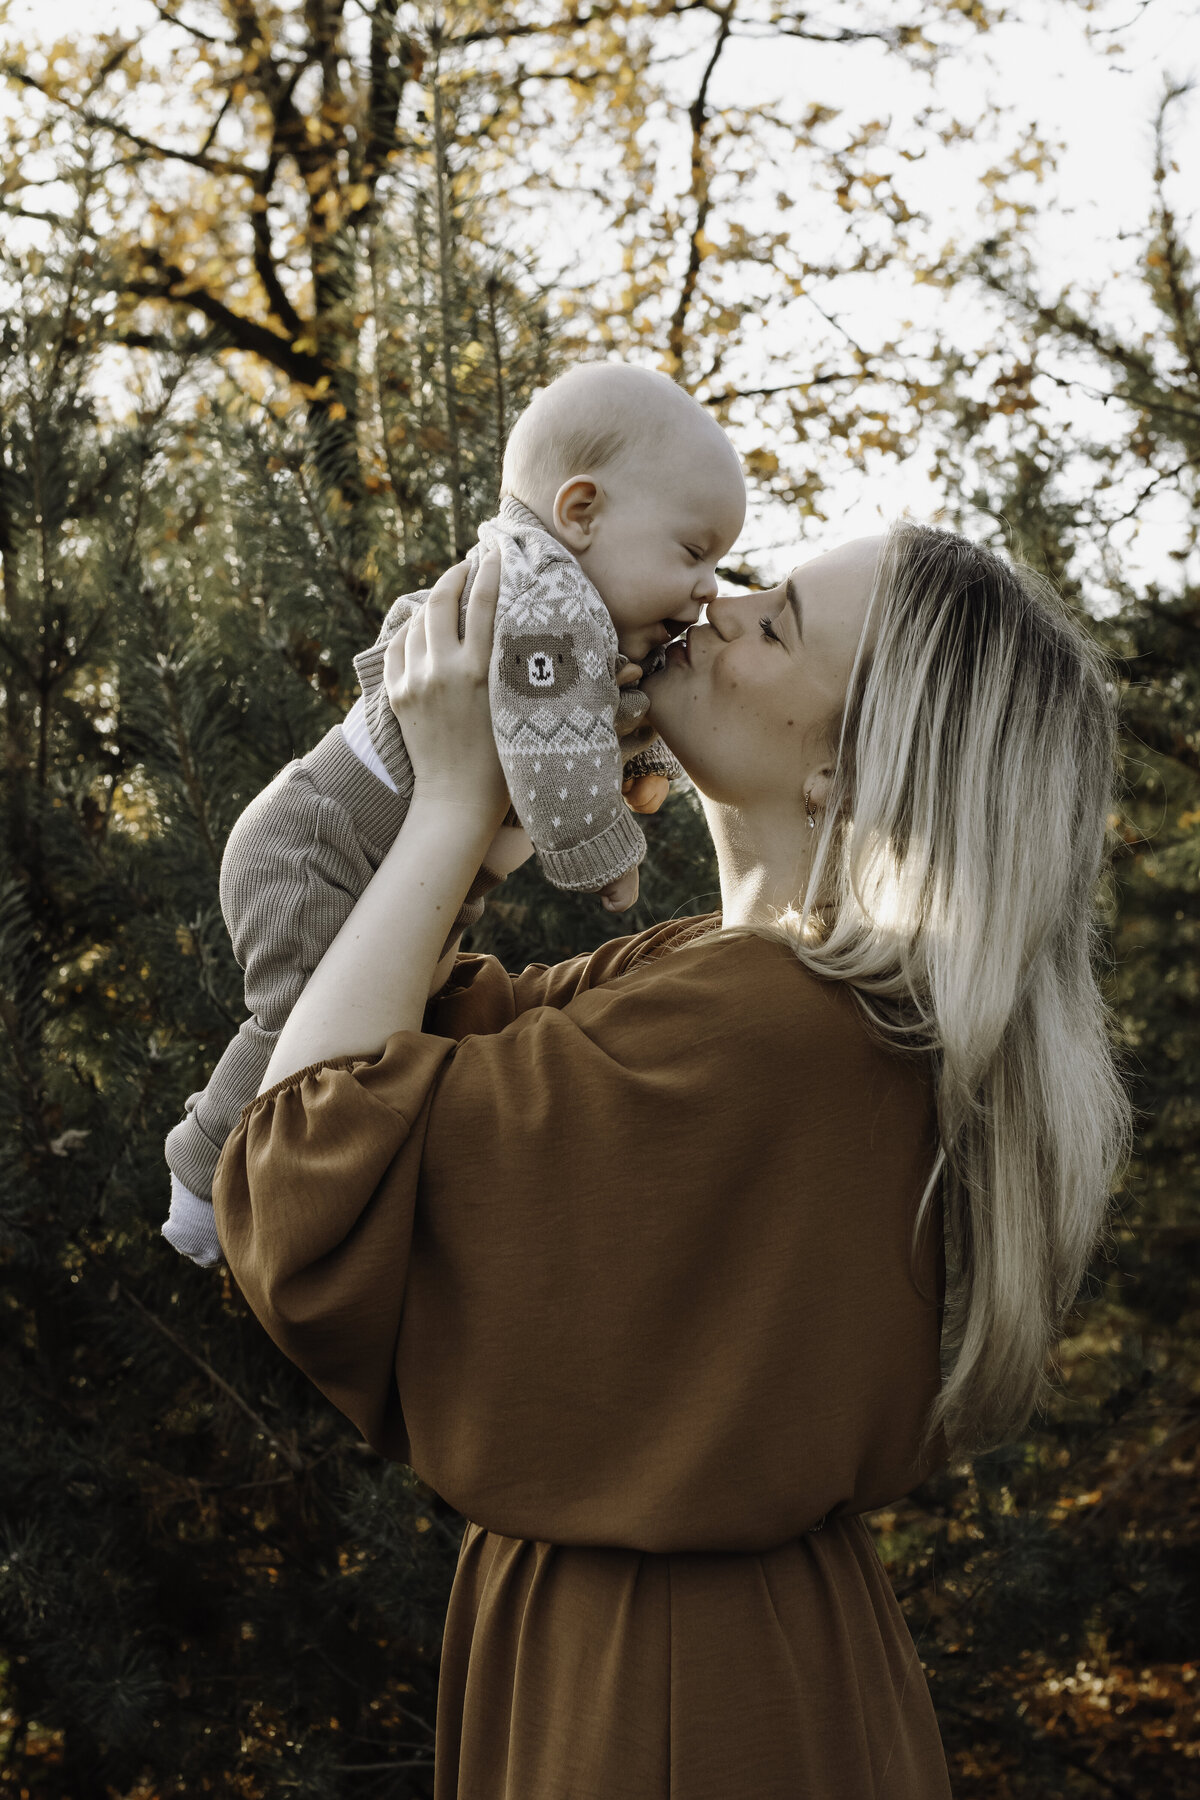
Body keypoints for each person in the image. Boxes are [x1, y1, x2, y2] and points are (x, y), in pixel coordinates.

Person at [211, 521, 1131, 1799]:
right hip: (734, 1657)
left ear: (851, 776)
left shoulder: (766, 1025)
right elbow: (399, 1029)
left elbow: (307, 1168)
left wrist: (456, 802)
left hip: (663, 1700)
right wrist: (492, 792)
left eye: (779, 622)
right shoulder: (733, 977)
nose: (718, 606)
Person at [162, 363, 747, 1268]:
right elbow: (552, 749)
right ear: (581, 511)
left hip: (364, 848)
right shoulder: (545, 601)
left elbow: (580, 721)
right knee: (302, 1026)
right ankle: (207, 1178)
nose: (710, 586)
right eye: (692, 551)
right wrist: (609, 854)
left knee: (380, 1022)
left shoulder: (558, 597)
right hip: (316, 846)